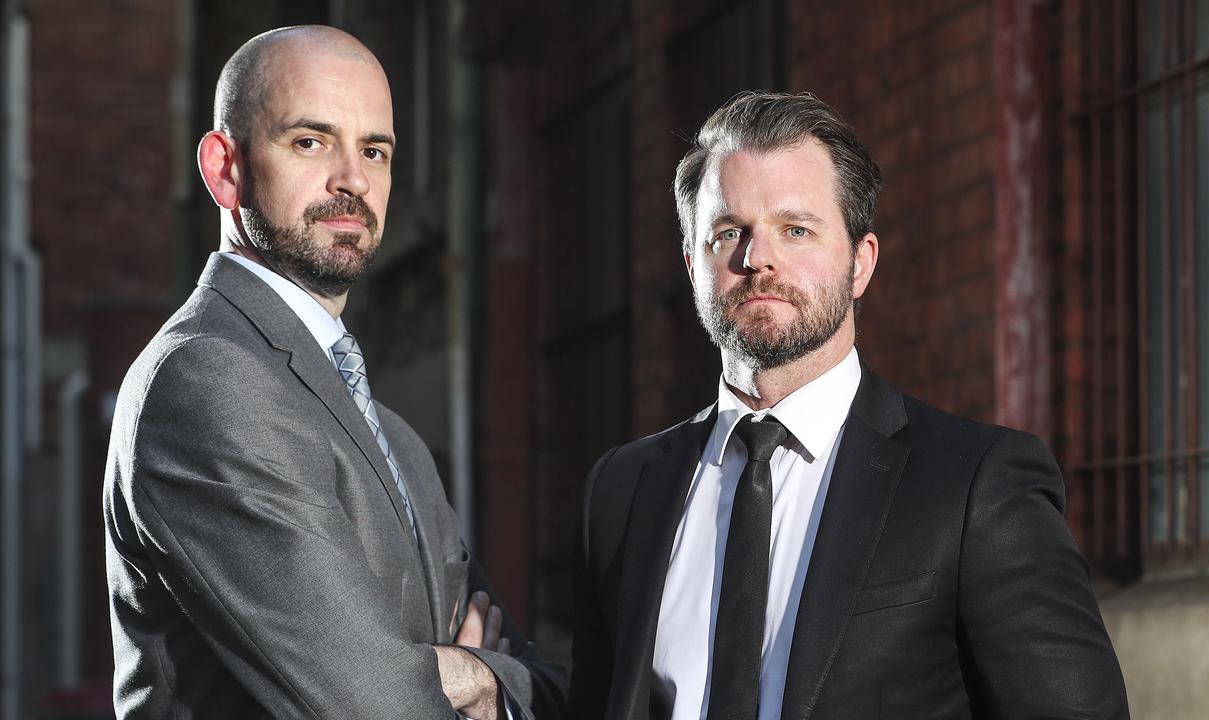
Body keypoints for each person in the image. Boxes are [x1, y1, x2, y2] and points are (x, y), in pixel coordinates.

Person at [567, 91, 1128, 719]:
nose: (759, 260)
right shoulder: (623, 488)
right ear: (692, 263)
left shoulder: (975, 484)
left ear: (860, 263)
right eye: (729, 233)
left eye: (796, 230)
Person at [104, 26, 564, 720]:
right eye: (310, 141)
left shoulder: (397, 440)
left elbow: (550, 687)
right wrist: (471, 675)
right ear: (225, 167)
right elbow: (375, 706)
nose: (352, 179)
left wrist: (477, 676)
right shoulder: (205, 381)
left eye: (374, 150)